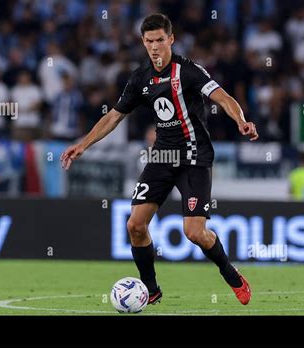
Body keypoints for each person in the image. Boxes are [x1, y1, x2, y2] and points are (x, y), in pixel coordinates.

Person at [61, 14, 258, 305]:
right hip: (162, 157)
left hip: (194, 157)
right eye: (149, 41)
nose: (154, 47)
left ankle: (231, 274)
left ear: (171, 39)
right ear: (143, 42)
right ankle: (151, 289)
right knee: (135, 226)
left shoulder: (188, 71)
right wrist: (83, 144)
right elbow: (115, 115)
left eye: (160, 40)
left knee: (194, 232)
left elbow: (224, 98)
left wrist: (241, 121)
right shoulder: (140, 78)